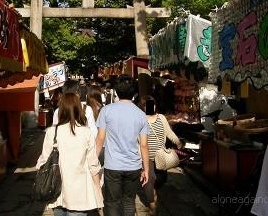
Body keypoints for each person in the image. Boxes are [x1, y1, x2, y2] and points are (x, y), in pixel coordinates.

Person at [36, 93, 103, 216]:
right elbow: (93, 165)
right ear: (78, 109)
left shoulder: (52, 132)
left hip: (56, 191)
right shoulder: (86, 132)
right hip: (80, 194)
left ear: (61, 110)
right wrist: (98, 191)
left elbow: (43, 161)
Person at [96, 75, 150, 216]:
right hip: (133, 166)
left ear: (116, 92)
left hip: (112, 165)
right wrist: (147, 169)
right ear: (134, 93)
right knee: (129, 202)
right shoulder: (141, 114)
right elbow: (144, 145)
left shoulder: (106, 111)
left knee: (112, 202)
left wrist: (93, 162)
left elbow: (100, 139)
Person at [138, 95, 183, 215]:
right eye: (148, 104)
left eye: (153, 103)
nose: (152, 106)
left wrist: (177, 142)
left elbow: (169, 132)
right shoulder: (140, 119)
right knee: (148, 181)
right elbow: (137, 139)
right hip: (147, 157)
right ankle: (152, 206)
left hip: (161, 156)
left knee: (161, 179)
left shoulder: (161, 117)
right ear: (143, 107)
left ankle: (153, 192)